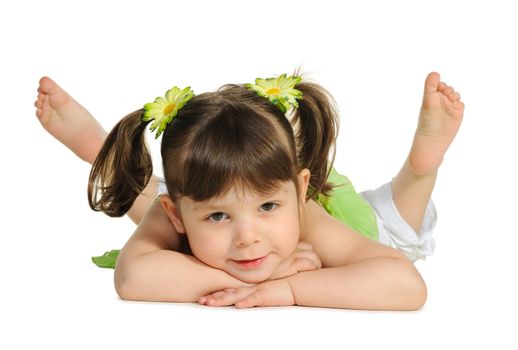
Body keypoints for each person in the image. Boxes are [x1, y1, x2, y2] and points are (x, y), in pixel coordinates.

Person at [34, 71, 464, 310]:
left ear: (297, 191)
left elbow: (406, 285)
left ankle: (421, 169)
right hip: (205, 199)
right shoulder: (186, 207)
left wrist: (288, 290)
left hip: (355, 223)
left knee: (393, 225)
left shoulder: (304, 211)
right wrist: (267, 273)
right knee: (163, 201)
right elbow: (132, 276)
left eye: (268, 206)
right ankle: (108, 156)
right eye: (219, 216)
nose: (248, 237)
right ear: (177, 215)